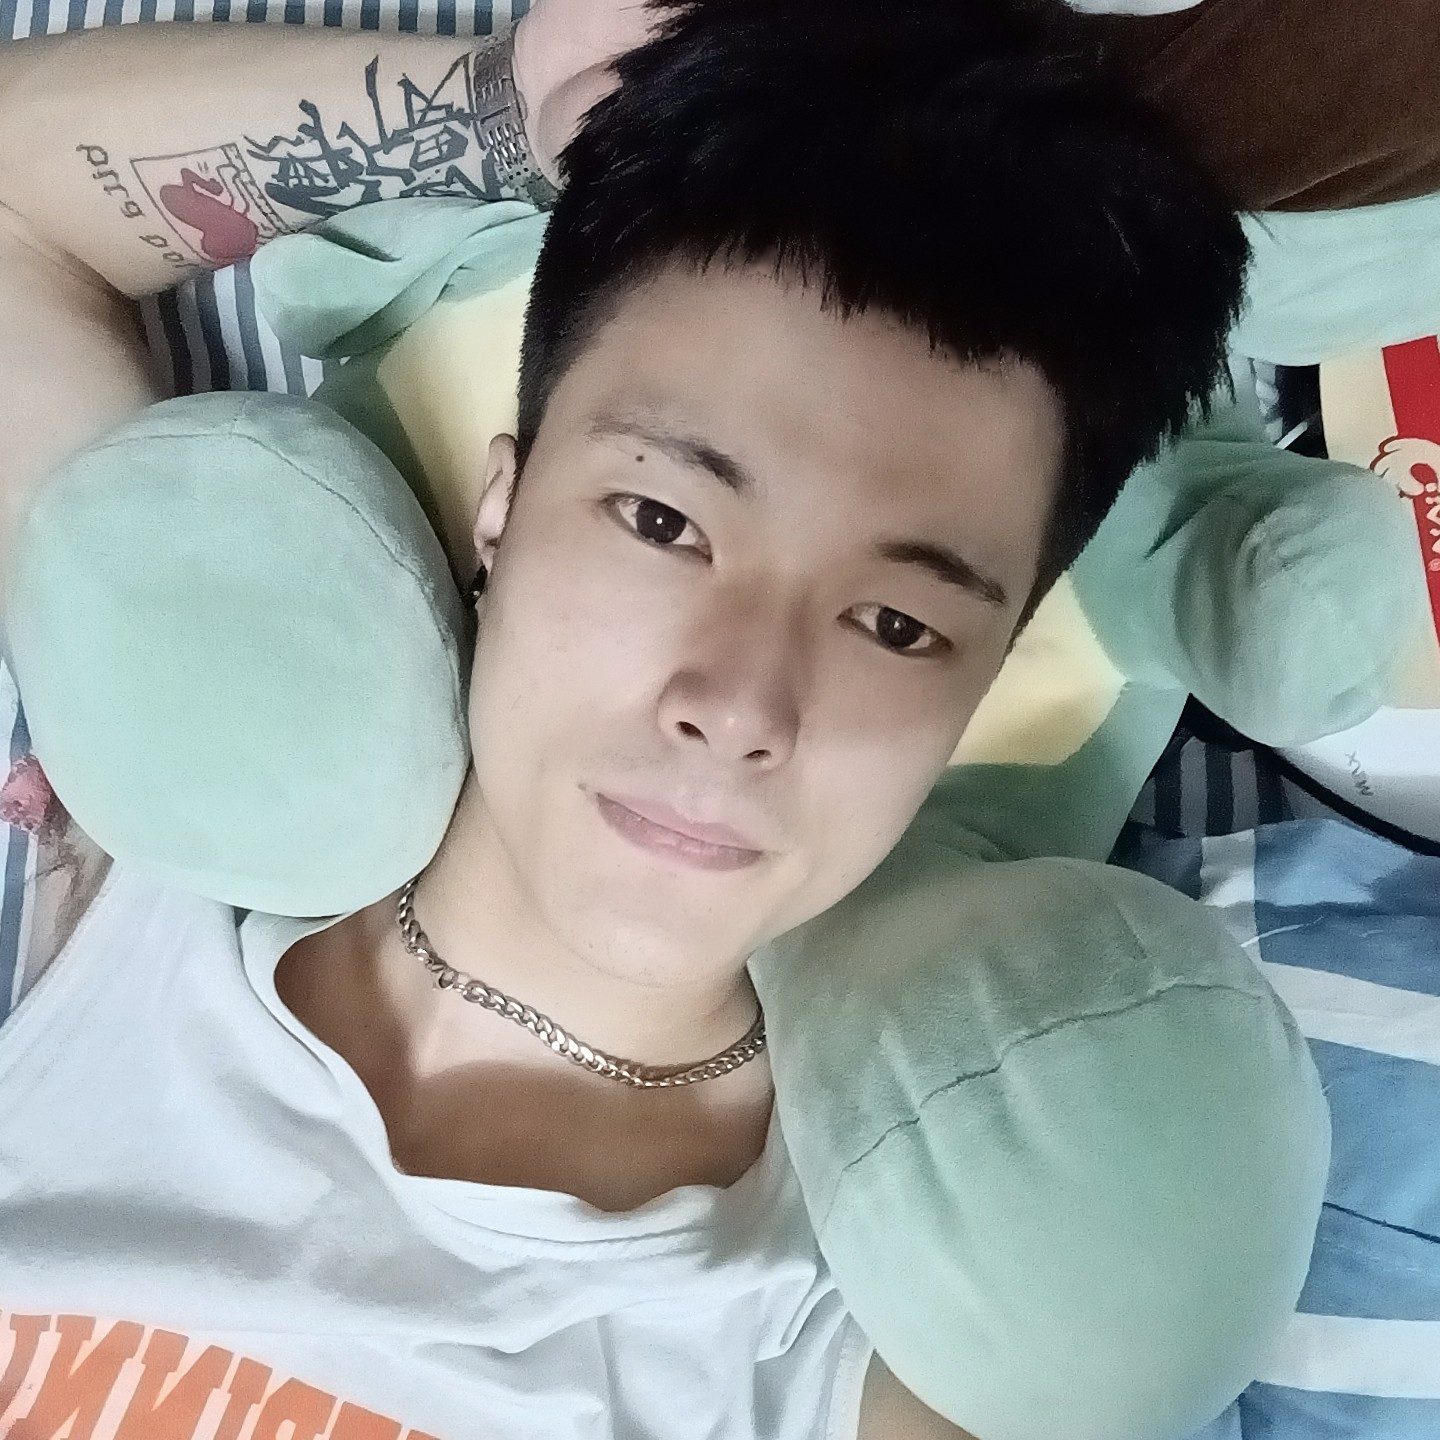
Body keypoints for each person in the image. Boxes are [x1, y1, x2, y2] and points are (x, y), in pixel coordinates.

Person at [0, 1, 1246, 1436]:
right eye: (663, 520)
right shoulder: (172, 823)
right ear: (504, 505)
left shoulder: (848, 1343)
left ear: (985, 682)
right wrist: (503, 114)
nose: (739, 707)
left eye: (899, 625)